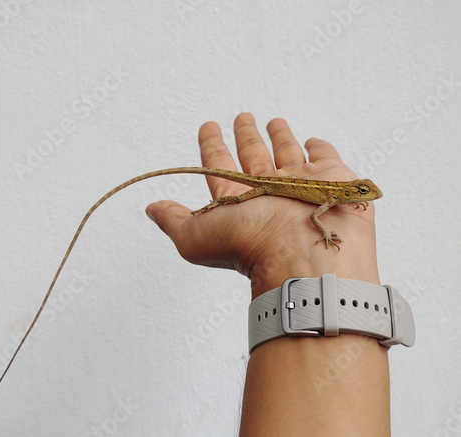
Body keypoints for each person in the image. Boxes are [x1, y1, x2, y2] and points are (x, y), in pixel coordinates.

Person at [145, 113, 390, 437]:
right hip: (266, 186)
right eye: (362, 192)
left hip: (278, 192)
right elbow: (315, 217)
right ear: (350, 192)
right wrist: (326, 236)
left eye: (365, 193)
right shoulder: (330, 198)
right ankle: (219, 203)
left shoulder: (341, 197)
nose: (367, 197)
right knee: (236, 196)